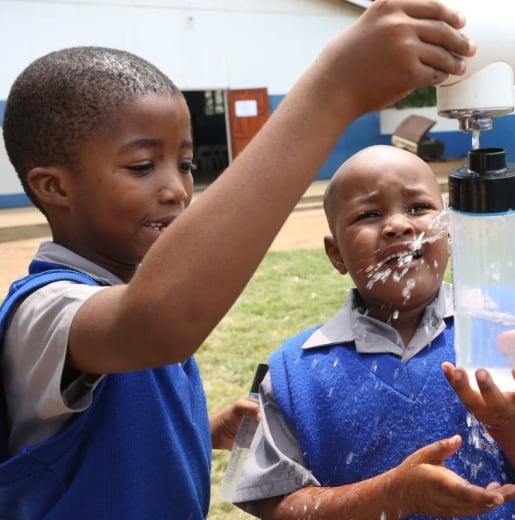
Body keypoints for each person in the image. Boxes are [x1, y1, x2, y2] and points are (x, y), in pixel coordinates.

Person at [0, 1, 476, 516]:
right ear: (52, 187)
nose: (176, 190)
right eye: (141, 166)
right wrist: (334, 90)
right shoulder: (44, 313)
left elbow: (91, 445)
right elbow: (160, 321)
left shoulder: (124, 298)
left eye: (184, 164)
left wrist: (197, 431)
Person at [232, 145, 515, 519]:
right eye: (370, 214)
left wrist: (513, 421)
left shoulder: (509, 329)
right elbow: (274, 505)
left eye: (418, 208)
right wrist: (390, 495)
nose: (399, 226)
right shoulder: (292, 375)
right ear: (336, 253)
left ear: (451, 232)